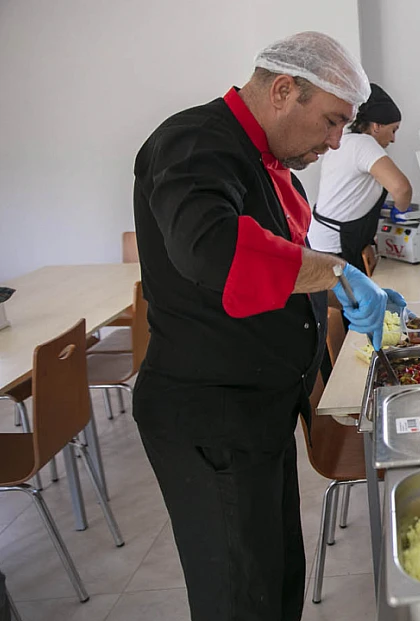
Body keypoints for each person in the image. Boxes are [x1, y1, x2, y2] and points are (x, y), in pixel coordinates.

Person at [132, 32, 402, 621]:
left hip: (258, 407)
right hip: (211, 412)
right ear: (285, 90)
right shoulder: (193, 144)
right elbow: (214, 250)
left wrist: (336, 303)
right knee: (239, 595)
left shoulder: (264, 161)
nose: (336, 143)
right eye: (332, 123)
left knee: (275, 579)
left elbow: (277, 275)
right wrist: (337, 275)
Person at [307, 83, 413, 273]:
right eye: (393, 130)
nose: (393, 139)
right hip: (336, 247)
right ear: (376, 126)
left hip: (321, 243)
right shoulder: (364, 143)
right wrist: (401, 213)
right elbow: (402, 188)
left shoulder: (346, 141)